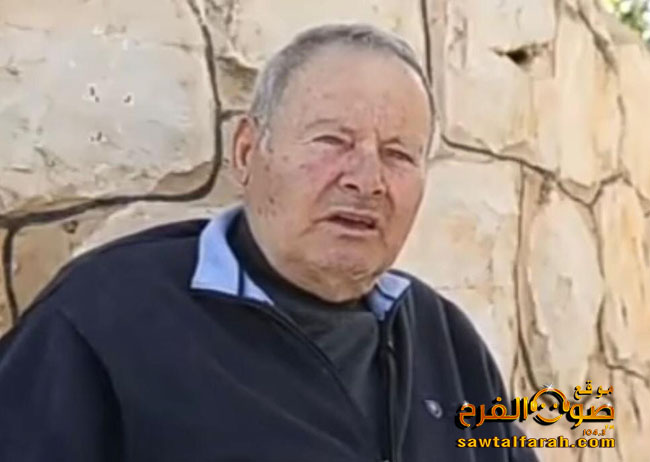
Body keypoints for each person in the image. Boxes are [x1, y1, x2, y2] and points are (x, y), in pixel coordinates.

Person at [0, 24, 538, 462]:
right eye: (332, 141)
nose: (367, 180)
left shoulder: (444, 338)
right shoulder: (106, 315)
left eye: (398, 154)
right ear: (247, 152)